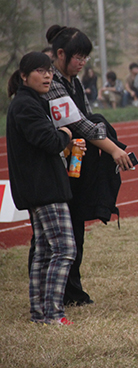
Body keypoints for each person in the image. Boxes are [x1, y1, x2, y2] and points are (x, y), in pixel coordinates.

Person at [44, 24, 134, 307]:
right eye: (78, 57)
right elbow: (78, 124)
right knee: (55, 237)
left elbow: (84, 120)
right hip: (53, 163)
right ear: (61, 54)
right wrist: (114, 150)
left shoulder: (74, 81)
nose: (82, 63)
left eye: (85, 58)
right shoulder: (53, 83)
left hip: (74, 162)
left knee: (75, 227)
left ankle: (72, 292)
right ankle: (54, 294)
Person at [6, 52, 79, 325]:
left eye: (49, 70)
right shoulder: (26, 105)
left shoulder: (29, 102)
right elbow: (49, 141)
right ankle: (53, 314)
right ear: (24, 76)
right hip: (44, 189)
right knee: (64, 249)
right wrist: (66, 135)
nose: (47, 75)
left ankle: (40, 313)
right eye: (40, 70)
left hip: (39, 187)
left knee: (45, 252)